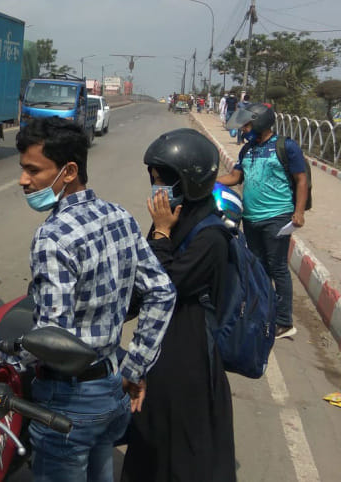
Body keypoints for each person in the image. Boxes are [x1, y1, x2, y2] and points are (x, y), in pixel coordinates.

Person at [0, 117, 177, 482]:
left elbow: (52, 338)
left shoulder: (53, 237)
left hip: (69, 401)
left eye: (34, 170)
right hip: (111, 387)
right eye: (22, 169)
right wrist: (135, 367)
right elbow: (162, 291)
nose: (23, 180)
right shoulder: (119, 216)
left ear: (69, 171)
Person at [121, 128, 236, 482]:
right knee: (150, 428)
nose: (157, 189)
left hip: (188, 347)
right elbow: (140, 278)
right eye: (154, 179)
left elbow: (165, 286)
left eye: (163, 180)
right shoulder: (174, 219)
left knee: (182, 435)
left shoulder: (211, 236)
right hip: (160, 340)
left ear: (189, 182)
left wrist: (160, 233)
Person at [218, 103, 308, 339]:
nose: (244, 129)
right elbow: (235, 176)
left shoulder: (285, 147)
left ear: (260, 122)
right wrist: (210, 182)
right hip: (251, 217)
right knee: (258, 266)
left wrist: (299, 212)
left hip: (277, 216)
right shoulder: (247, 150)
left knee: (277, 267)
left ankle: (284, 321)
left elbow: (301, 180)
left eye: (247, 125)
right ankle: (263, 312)